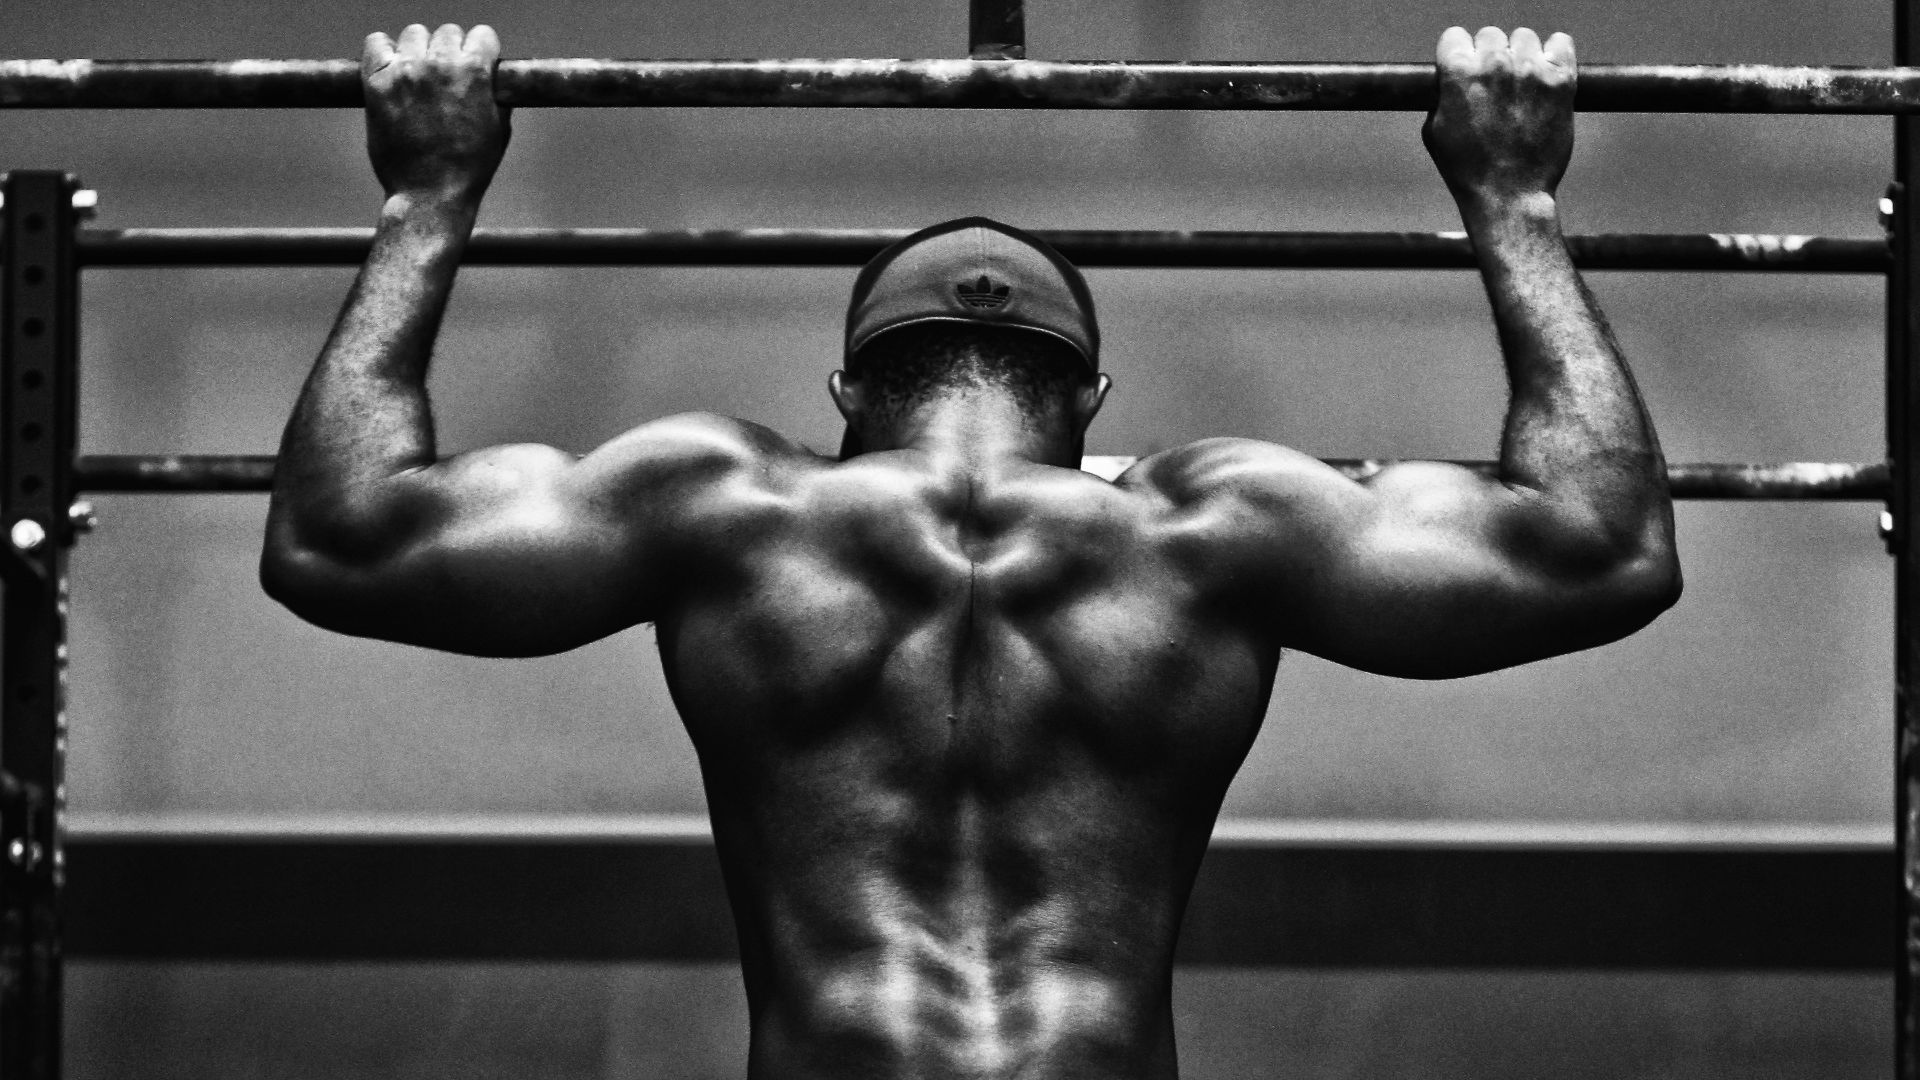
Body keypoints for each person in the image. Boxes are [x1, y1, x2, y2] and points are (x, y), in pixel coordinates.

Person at [261, 21, 1680, 1080]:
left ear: (847, 393)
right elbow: (1601, 546)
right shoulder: (1214, 530)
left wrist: (427, 193)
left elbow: (336, 538)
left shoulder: (722, 507)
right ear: (1090, 404)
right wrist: (1515, 199)